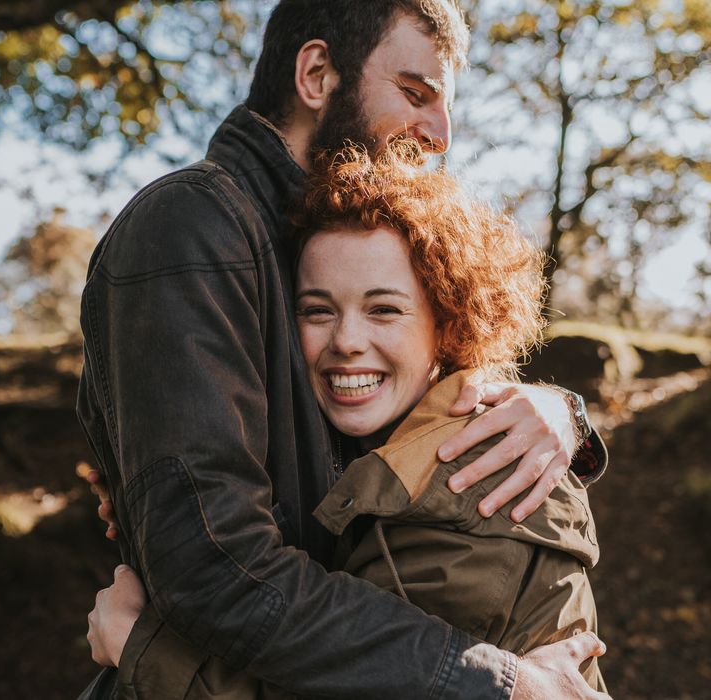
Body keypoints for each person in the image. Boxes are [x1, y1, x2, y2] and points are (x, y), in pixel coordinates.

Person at [78, 1, 608, 698]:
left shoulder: (319, 242)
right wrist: (498, 687)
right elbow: (218, 569)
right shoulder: (196, 229)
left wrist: (561, 412)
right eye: (416, 94)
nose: (440, 134)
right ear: (318, 73)